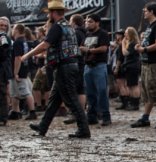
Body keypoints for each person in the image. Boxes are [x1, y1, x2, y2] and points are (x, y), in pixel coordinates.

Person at [23, 0, 91, 138]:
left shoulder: (57, 27)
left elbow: (44, 45)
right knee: (54, 101)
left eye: (49, 13)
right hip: (70, 65)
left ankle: (84, 130)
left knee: (71, 100)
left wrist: (27, 55)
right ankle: (42, 127)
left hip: (63, 67)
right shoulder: (68, 26)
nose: (48, 15)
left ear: (53, 13)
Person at [131, 2, 156, 129]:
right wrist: (140, 45)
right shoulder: (150, 25)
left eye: (146, 11)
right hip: (146, 63)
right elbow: (149, 42)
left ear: (152, 12)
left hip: (155, 64)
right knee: (147, 92)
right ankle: (145, 118)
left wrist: (144, 49)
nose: (144, 13)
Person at [80, 14, 111, 126]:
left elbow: (104, 48)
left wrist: (88, 50)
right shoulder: (87, 34)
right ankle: (92, 116)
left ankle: (105, 116)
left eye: (90, 21)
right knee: (90, 93)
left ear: (97, 23)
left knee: (102, 91)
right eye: (87, 21)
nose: (87, 23)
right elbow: (81, 47)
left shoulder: (103, 33)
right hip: (88, 66)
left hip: (99, 66)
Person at [9, 24, 36, 120]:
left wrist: (15, 72)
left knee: (25, 92)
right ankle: (15, 111)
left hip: (19, 70)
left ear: (16, 30)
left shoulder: (17, 42)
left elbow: (18, 58)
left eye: (13, 28)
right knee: (15, 92)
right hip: (25, 68)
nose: (12, 30)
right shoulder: (24, 41)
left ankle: (32, 112)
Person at [121, 27, 141, 111]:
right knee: (130, 85)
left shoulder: (133, 43)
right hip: (129, 66)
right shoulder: (130, 42)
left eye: (126, 33)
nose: (125, 34)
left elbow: (125, 53)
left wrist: (122, 44)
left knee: (134, 85)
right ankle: (133, 102)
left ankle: (135, 104)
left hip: (132, 66)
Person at [0, 17, 10, 126]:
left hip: (2, 70)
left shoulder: (5, 38)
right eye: (1, 25)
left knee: (2, 93)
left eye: (4, 26)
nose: (3, 27)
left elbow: (3, 55)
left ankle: (3, 117)